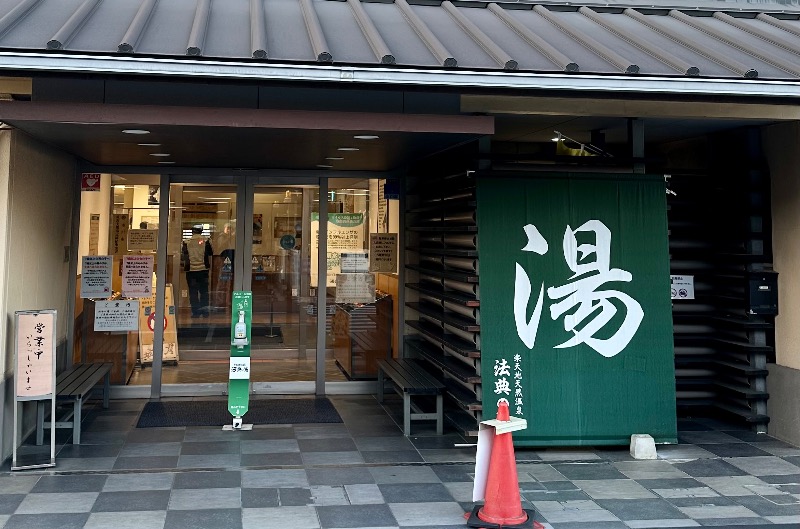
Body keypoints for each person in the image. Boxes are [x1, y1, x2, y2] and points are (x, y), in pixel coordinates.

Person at [182, 225, 213, 318]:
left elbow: (183, 255)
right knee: (204, 291)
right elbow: (211, 253)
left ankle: (195, 312)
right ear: (201, 231)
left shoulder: (186, 242)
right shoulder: (206, 241)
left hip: (191, 271)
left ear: (192, 232)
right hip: (203, 270)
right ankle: (205, 312)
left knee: (193, 292)